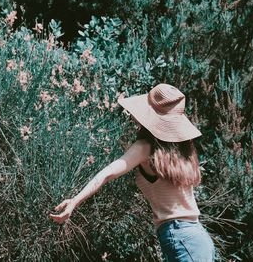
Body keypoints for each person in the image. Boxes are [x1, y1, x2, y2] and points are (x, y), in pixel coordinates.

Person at [49, 83, 216, 261]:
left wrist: (75, 201)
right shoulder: (180, 151)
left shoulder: (145, 148)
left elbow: (108, 173)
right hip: (196, 236)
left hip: (179, 237)